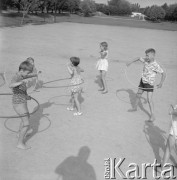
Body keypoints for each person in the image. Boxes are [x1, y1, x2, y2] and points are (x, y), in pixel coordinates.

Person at [126, 48, 166, 122]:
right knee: (138, 94)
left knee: (149, 100)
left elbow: (163, 73)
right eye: (146, 55)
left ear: (153, 56)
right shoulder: (145, 60)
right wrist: (130, 62)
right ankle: (135, 107)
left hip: (149, 84)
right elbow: (138, 58)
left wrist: (161, 83)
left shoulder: (155, 65)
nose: (146, 57)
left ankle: (152, 115)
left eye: (147, 55)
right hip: (143, 81)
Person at [9, 61, 39, 149]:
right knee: (26, 124)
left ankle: (19, 133)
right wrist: (21, 82)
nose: (28, 75)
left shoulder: (22, 74)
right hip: (18, 102)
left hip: (22, 100)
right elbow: (11, 85)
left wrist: (26, 96)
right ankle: (20, 143)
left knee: (25, 119)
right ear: (22, 70)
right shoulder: (17, 76)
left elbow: (22, 88)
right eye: (27, 72)